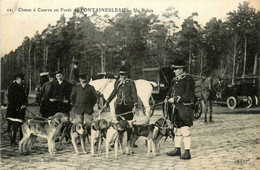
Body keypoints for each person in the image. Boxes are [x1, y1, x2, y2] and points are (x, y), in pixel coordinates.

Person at [165, 59, 195, 160]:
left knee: (185, 130)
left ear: (181, 69)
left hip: (185, 108)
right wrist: (167, 97)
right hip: (176, 109)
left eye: (176, 69)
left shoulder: (188, 79)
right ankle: (177, 149)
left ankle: (187, 152)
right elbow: (170, 91)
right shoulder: (175, 79)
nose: (174, 71)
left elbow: (189, 95)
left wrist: (176, 99)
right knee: (177, 130)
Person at [104, 66, 138, 146]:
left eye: (124, 74)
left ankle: (129, 144)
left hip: (128, 107)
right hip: (119, 107)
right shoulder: (117, 83)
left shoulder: (131, 83)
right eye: (121, 74)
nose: (122, 76)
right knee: (119, 126)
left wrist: (135, 105)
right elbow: (113, 93)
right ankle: (118, 142)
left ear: (126, 74)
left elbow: (134, 94)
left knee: (129, 127)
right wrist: (107, 102)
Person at [6, 74, 28, 145]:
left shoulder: (21, 87)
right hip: (14, 110)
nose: (22, 80)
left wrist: (24, 104)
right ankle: (13, 141)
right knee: (14, 126)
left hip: (20, 110)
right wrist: (18, 107)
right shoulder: (12, 87)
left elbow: (24, 98)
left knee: (22, 125)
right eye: (21, 79)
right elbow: (11, 99)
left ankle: (21, 140)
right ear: (17, 78)